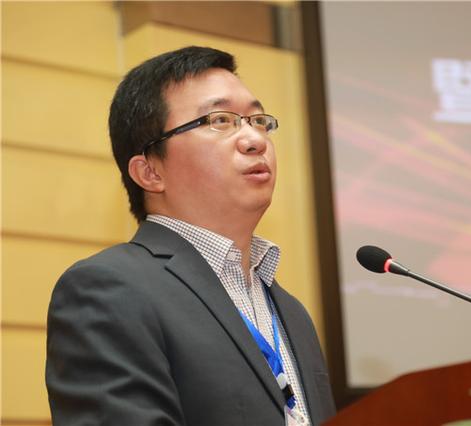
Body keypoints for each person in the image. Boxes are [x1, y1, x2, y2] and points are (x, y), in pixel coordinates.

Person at [45, 46, 336, 426]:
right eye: (220, 120)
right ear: (150, 172)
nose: (255, 139)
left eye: (258, 120)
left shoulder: (292, 311)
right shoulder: (108, 289)